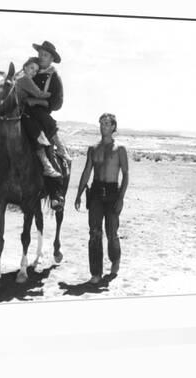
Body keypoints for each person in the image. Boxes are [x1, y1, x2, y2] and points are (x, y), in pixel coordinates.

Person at [0, 40, 70, 203]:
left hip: (40, 117)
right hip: (20, 115)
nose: (41, 57)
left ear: (51, 59)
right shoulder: (28, 68)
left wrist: (37, 102)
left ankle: (55, 192)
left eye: (45, 55)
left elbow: (57, 103)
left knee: (45, 147)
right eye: (40, 53)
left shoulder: (54, 77)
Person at [74, 113, 129, 284]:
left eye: (107, 123)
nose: (103, 126)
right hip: (96, 192)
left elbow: (126, 175)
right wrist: (79, 193)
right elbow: (86, 172)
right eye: (101, 123)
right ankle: (96, 272)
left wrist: (121, 198)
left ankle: (115, 260)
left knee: (112, 233)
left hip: (113, 193)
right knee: (94, 233)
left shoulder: (120, 149)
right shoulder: (93, 148)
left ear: (113, 127)